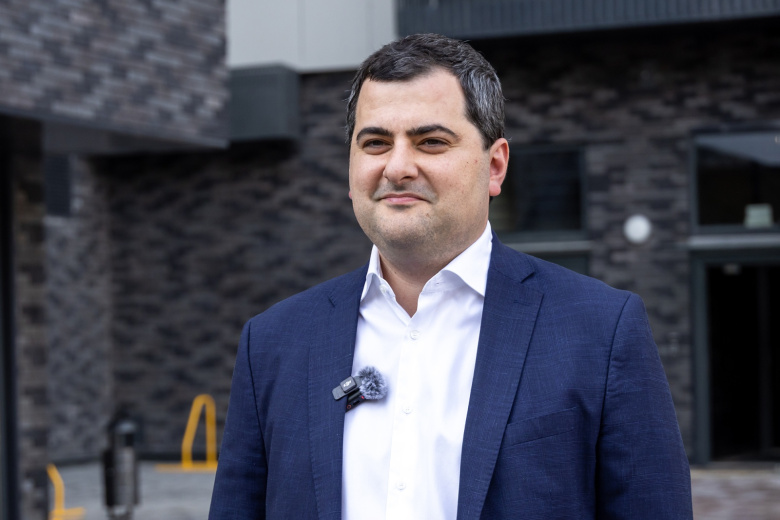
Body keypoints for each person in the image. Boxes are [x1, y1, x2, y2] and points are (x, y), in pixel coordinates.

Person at [209, 33, 692, 519]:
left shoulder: (600, 331)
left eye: (431, 142)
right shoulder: (273, 343)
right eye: (375, 143)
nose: (397, 167)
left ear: (494, 166)